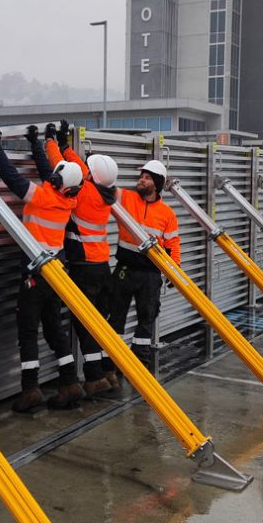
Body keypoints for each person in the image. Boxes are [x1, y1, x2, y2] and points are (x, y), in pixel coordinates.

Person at [0, 126, 85, 412]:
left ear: (57, 182)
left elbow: (12, 179)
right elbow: (50, 171)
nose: (51, 175)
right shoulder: (69, 199)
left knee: (28, 330)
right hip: (56, 275)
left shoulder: (42, 197)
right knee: (54, 328)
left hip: (35, 273)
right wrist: (35, 145)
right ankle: (69, 383)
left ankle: (30, 391)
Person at [43, 120, 120, 396]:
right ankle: (109, 371)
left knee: (84, 323)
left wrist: (51, 142)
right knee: (100, 321)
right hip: (102, 266)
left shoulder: (84, 192)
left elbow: (64, 168)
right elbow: (84, 168)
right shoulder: (109, 192)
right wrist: (65, 143)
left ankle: (95, 377)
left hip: (83, 266)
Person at [107, 159, 181, 375]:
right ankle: (112, 366)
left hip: (150, 275)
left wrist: (174, 271)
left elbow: (173, 244)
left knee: (146, 320)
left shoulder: (167, 214)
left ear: (156, 184)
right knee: (115, 316)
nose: (141, 180)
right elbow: (103, 190)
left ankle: (139, 368)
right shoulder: (126, 197)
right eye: (141, 176)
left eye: (147, 178)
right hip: (125, 269)